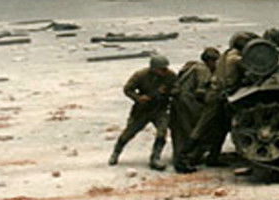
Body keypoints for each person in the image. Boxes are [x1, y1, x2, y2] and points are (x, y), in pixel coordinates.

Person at [178, 31, 256, 171]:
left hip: (219, 95)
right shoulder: (236, 59)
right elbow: (252, 71)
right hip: (217, 96)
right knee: (202, 127)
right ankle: (182, 159)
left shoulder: (226, 54)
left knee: (222, 128)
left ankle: (213, 157)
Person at [109, 54, 177, 170]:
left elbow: (176, 87)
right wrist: (138, 98)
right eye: (162, 69)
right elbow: (128, 89)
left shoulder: (170, 76)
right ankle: (116, 153)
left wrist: (170, 92)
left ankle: (155, 158)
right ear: (154, 68)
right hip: (143, 110)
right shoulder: (140, 75)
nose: (164, 71)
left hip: (160, 108)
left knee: (162, 132)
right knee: (129, 132)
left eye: (165, 69)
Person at [169, 47, 220, 164]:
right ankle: (188, 158)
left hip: (179, 101)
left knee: (179, 132)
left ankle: (179, 156)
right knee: (193, 130)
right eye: (216, 61)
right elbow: (200, 92)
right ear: (210, 61)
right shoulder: (203, 70)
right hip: (187, 102)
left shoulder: (194, 66)